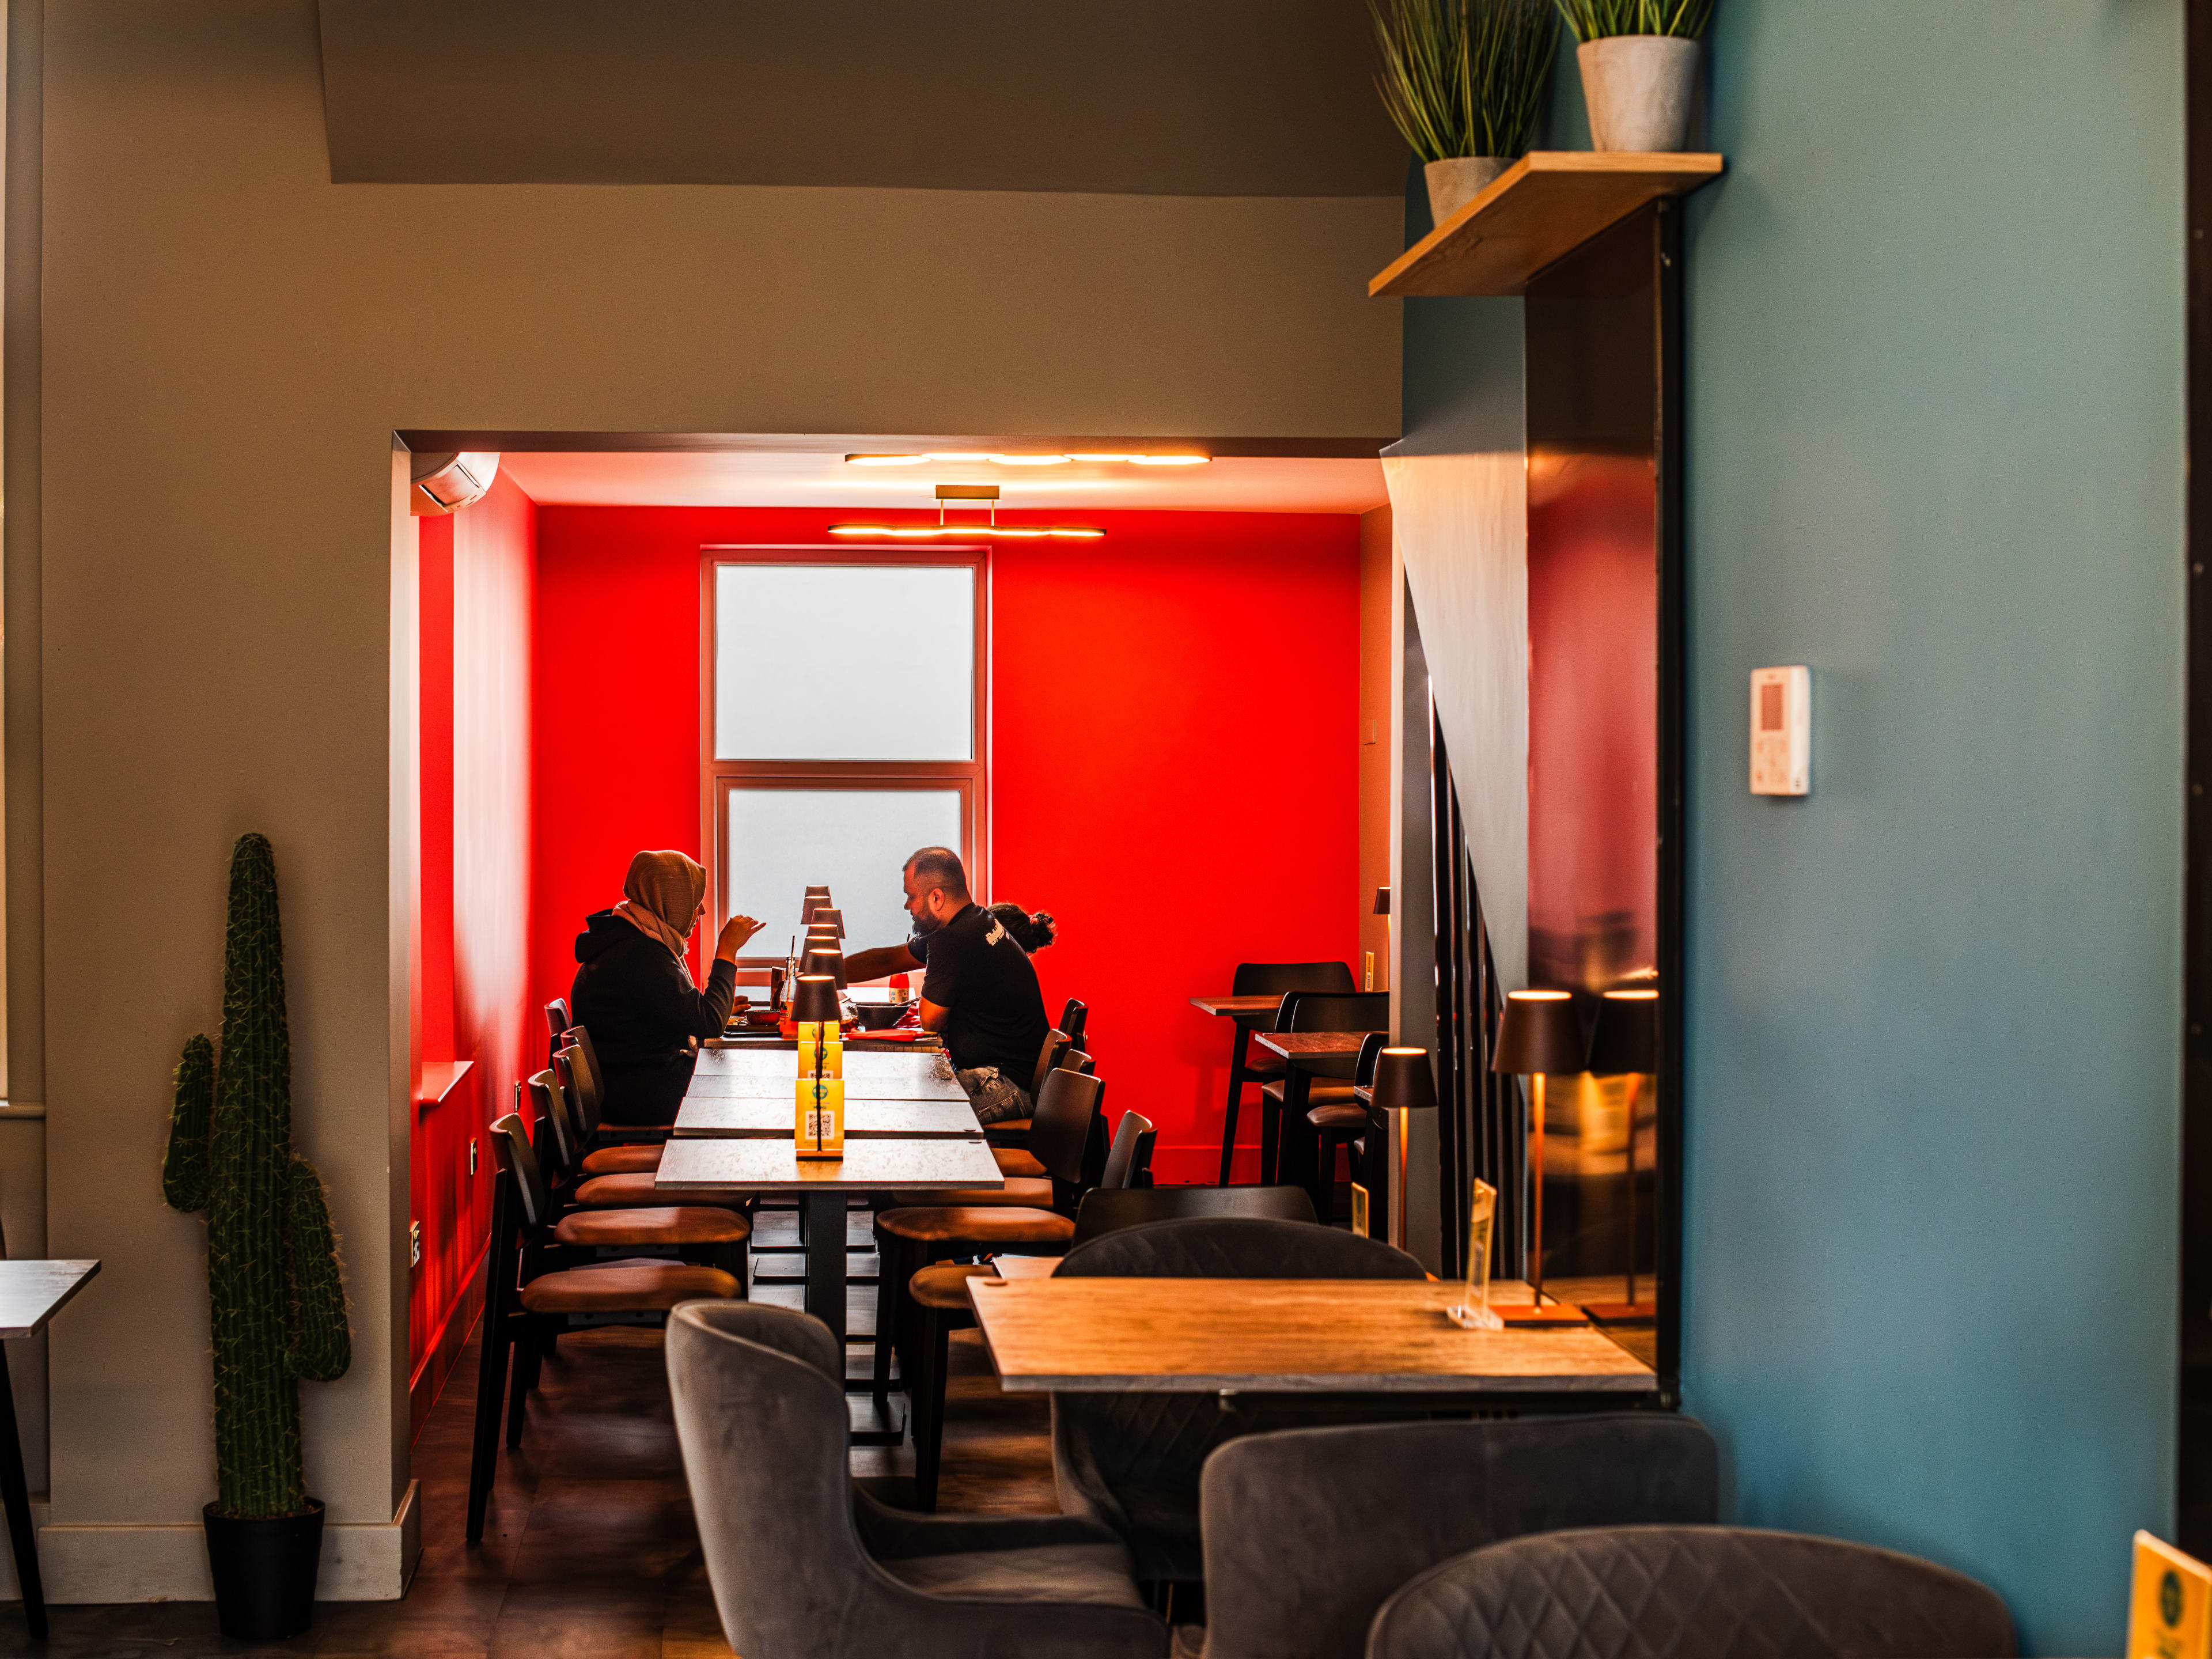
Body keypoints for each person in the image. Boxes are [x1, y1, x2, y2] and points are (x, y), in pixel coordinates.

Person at [842, 848, 1049, 1124]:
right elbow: (890, 959)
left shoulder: (954, 938)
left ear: (936, 897)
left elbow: (929, 1019)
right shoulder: (977, 921)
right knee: (902, 1095)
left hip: (1008, 1083)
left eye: (911, 896)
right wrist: (827, 970)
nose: (907, 906)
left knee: (910, 1113)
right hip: (1020, 1077)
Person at [570, 850, 763, 1127]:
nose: (702, 911)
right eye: (694, 901)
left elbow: (680, 1013)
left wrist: (716, 1008)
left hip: (628, 1087)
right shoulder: (641, 954)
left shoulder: (628, 940)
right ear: (672, 901)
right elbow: (708, 1024)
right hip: (641, 1095)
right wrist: (727, 951)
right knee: (740, 1089)